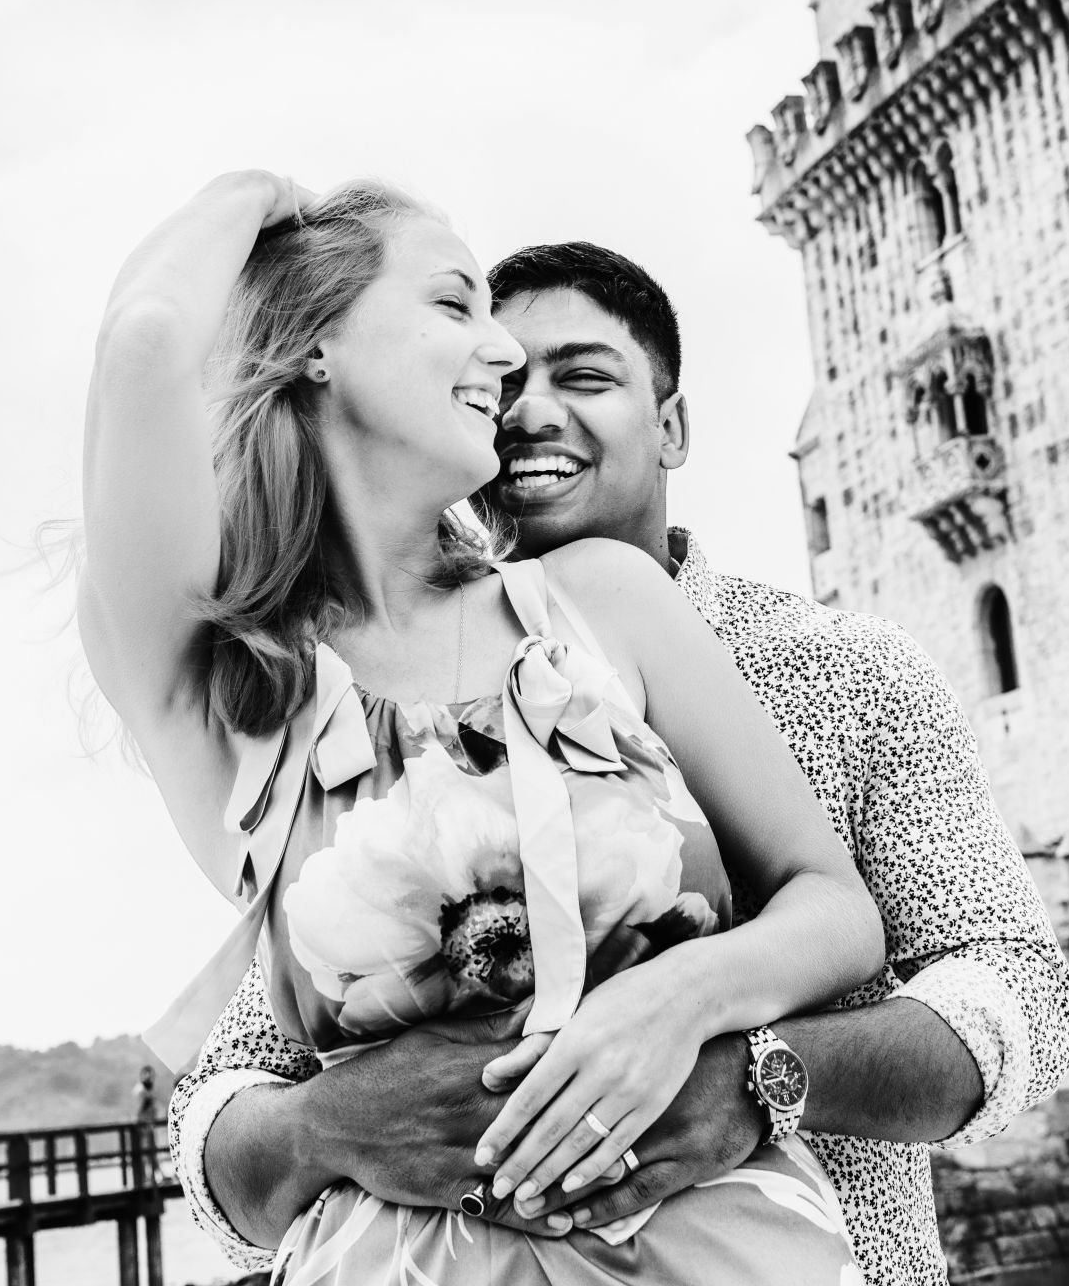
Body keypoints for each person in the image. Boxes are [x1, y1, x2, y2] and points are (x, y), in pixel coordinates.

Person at [168, 237, 1069, 1286]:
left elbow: (1021, 999)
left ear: (674, 425)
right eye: (502, 382)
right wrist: (325, 1127)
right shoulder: (367, 709)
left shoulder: (848, 673)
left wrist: (756, 1078)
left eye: (584, 376)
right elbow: (223, 1119)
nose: (531, 412)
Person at [80, 172, 890, 1285]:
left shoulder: (605, 600)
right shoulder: (232, 687)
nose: (504, 357)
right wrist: (267, 197)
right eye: (455, 306)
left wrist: (676, 1000)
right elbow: (147, 339)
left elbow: (835, 908)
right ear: (317, 344)